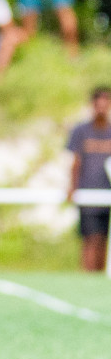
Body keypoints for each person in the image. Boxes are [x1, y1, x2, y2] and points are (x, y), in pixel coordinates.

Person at [66, 86, 111, 273]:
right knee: (90, 238)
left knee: (103, 238)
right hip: (88, 192)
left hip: (107, 193)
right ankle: (88, 277)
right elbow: (75, 162)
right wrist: (72, 187)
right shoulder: (81, 131)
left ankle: (99, 278)